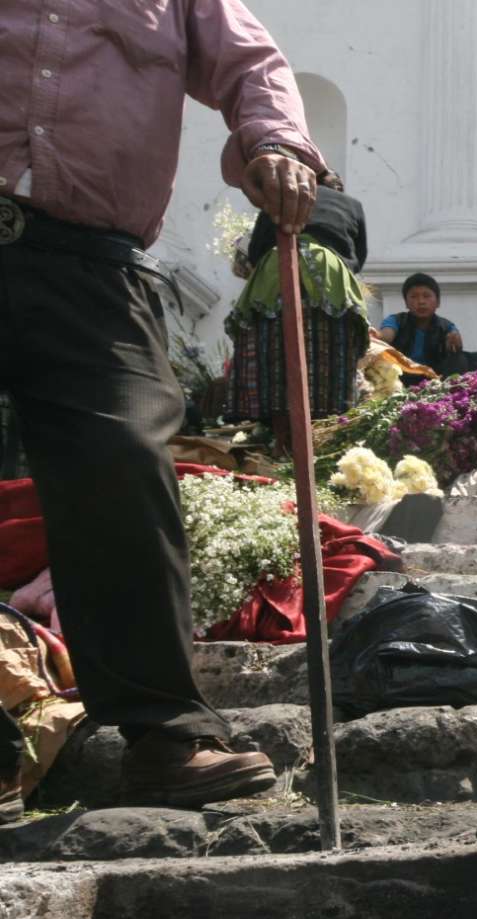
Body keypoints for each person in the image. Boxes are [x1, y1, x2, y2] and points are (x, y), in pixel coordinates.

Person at [0, 0, 322, 813]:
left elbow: (252, 64)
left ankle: (164, 734)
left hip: (90, 265)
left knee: (124, 460)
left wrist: (277, 141)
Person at [227, 170, 368, 448]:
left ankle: (281, 441)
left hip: (278, 271)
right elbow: (357, 257)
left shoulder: (283, 196)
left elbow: (256, 249)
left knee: (277, 357)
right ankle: (324, 438)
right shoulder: (351, 205)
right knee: (330, 360)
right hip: (330, 279)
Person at [378, 272, 463, 373]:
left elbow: (456, 343)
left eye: (426, 296)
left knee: (462, 359)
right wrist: (378, 336)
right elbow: (386, 335)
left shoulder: (446, 326)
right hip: (401, 375)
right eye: (414, 297)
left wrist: (455, 342)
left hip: (434, 379)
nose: (421, 301)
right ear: (406, 302)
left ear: (438, 302)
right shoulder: (396, 320)